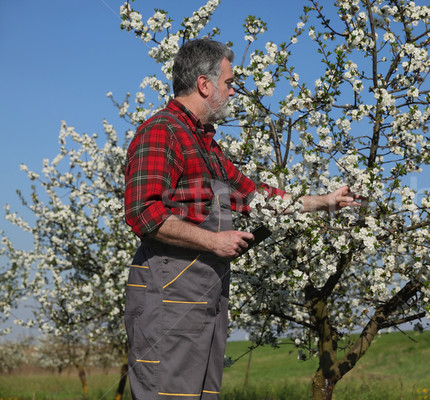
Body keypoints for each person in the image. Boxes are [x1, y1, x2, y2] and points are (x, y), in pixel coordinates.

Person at [123, 38, 359, 400]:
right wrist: (213, 241)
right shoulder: (163, 132)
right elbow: (143, 211)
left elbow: (257, 198)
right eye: (229, 83)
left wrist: (326, 201)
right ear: (205, 84)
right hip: (168, 297)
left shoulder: (205, 145)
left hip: (206, 294)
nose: (233, 92)